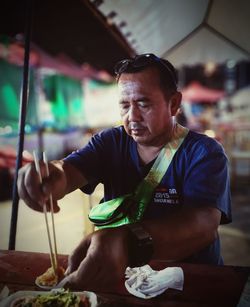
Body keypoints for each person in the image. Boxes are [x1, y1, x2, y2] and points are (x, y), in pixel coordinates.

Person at [18, 53, 231, 291]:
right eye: (124, 105)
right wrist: (51, 176)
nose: (132, 116)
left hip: (188, 283)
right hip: (124, 279)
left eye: (143, 104)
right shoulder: (110, 142)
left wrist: (128, 242)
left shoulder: (203, 152)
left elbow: (204, 226)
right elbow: (68, 172)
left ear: (173, 103)